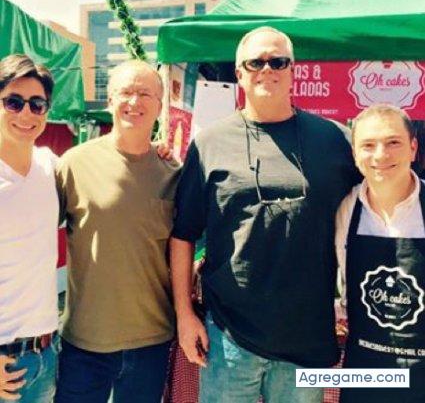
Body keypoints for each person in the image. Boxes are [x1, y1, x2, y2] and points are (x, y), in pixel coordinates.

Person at [170, 26, 359, 403]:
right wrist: (185, 315)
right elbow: (183, 235)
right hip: (228, 340)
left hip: (307, 338)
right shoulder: (209, 143)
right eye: (255, 62)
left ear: (293, 71)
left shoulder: (335, 140)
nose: (267, 69)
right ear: (239, 73)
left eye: (278, 61)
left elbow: (373, 212)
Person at [54, 59, 180, 403]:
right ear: (110, 100)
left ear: (160, 104)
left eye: (145, 94)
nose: (134, 102)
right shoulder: (73, 164)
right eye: (126, 92)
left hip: (151, 341)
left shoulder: (174, 171)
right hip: (85, 342)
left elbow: (184, 250)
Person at [336, 104, 425, 403]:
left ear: (413, 148)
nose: (380, 155)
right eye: (368, 145)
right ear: (354, 154)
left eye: (393, 142)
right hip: (365, 371)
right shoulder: (345, 209)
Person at [0, 54, 59, 402]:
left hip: (47, 354)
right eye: (13, 102)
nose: (26, 114)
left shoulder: (50, 166)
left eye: (37, 104)